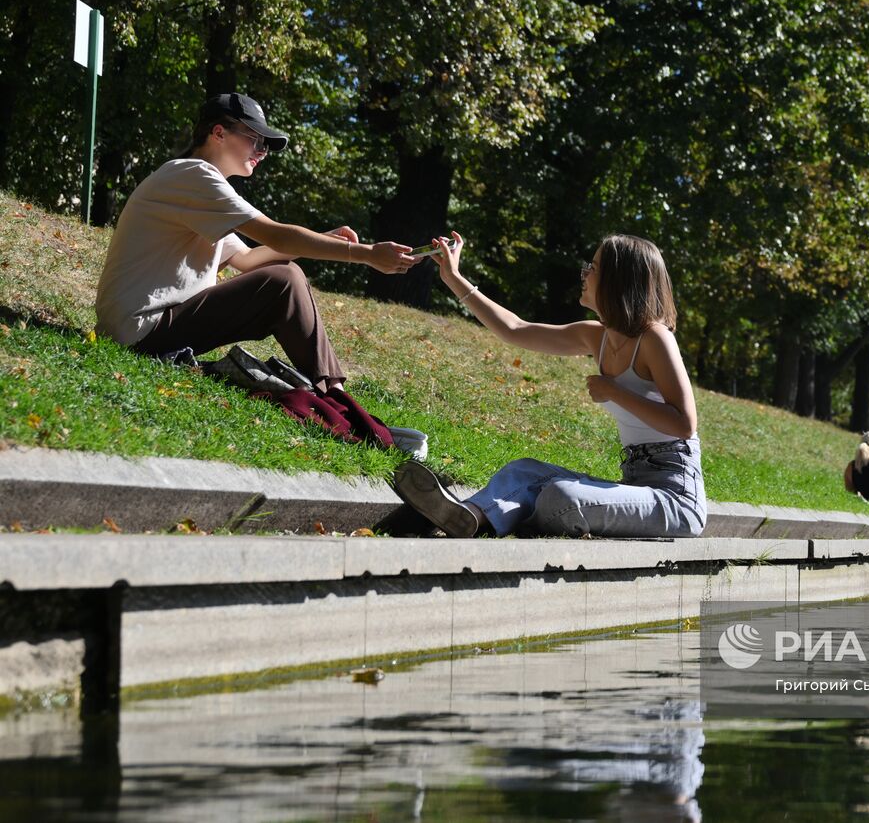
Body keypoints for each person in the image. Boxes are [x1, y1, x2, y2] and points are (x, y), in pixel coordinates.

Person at [95, 93, 418, 390]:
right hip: (141, 332)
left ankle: (331, 391)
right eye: (254, 139)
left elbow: (248, 259)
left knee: (285, 276)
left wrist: (320, 241)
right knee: (286, 279)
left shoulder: (197, 185)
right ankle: (332, 392)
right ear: (218, 132)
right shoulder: (193, 176)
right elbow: (274, 234)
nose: (262, 151)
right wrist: (366, 254)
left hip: (149, 330)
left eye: (265, 143)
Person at [393, 232, 705, 539]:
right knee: (524, 471)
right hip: (634, 487)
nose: (584, 274)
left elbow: (684, 423)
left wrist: (615, 392)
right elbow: (515, 329)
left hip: (675, 498)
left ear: (617, 280)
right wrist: (453, 277)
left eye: (593, 268)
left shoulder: (654, 338)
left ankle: (503, 518)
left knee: (561, 496)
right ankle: (469, 517)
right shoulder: (596, 336)